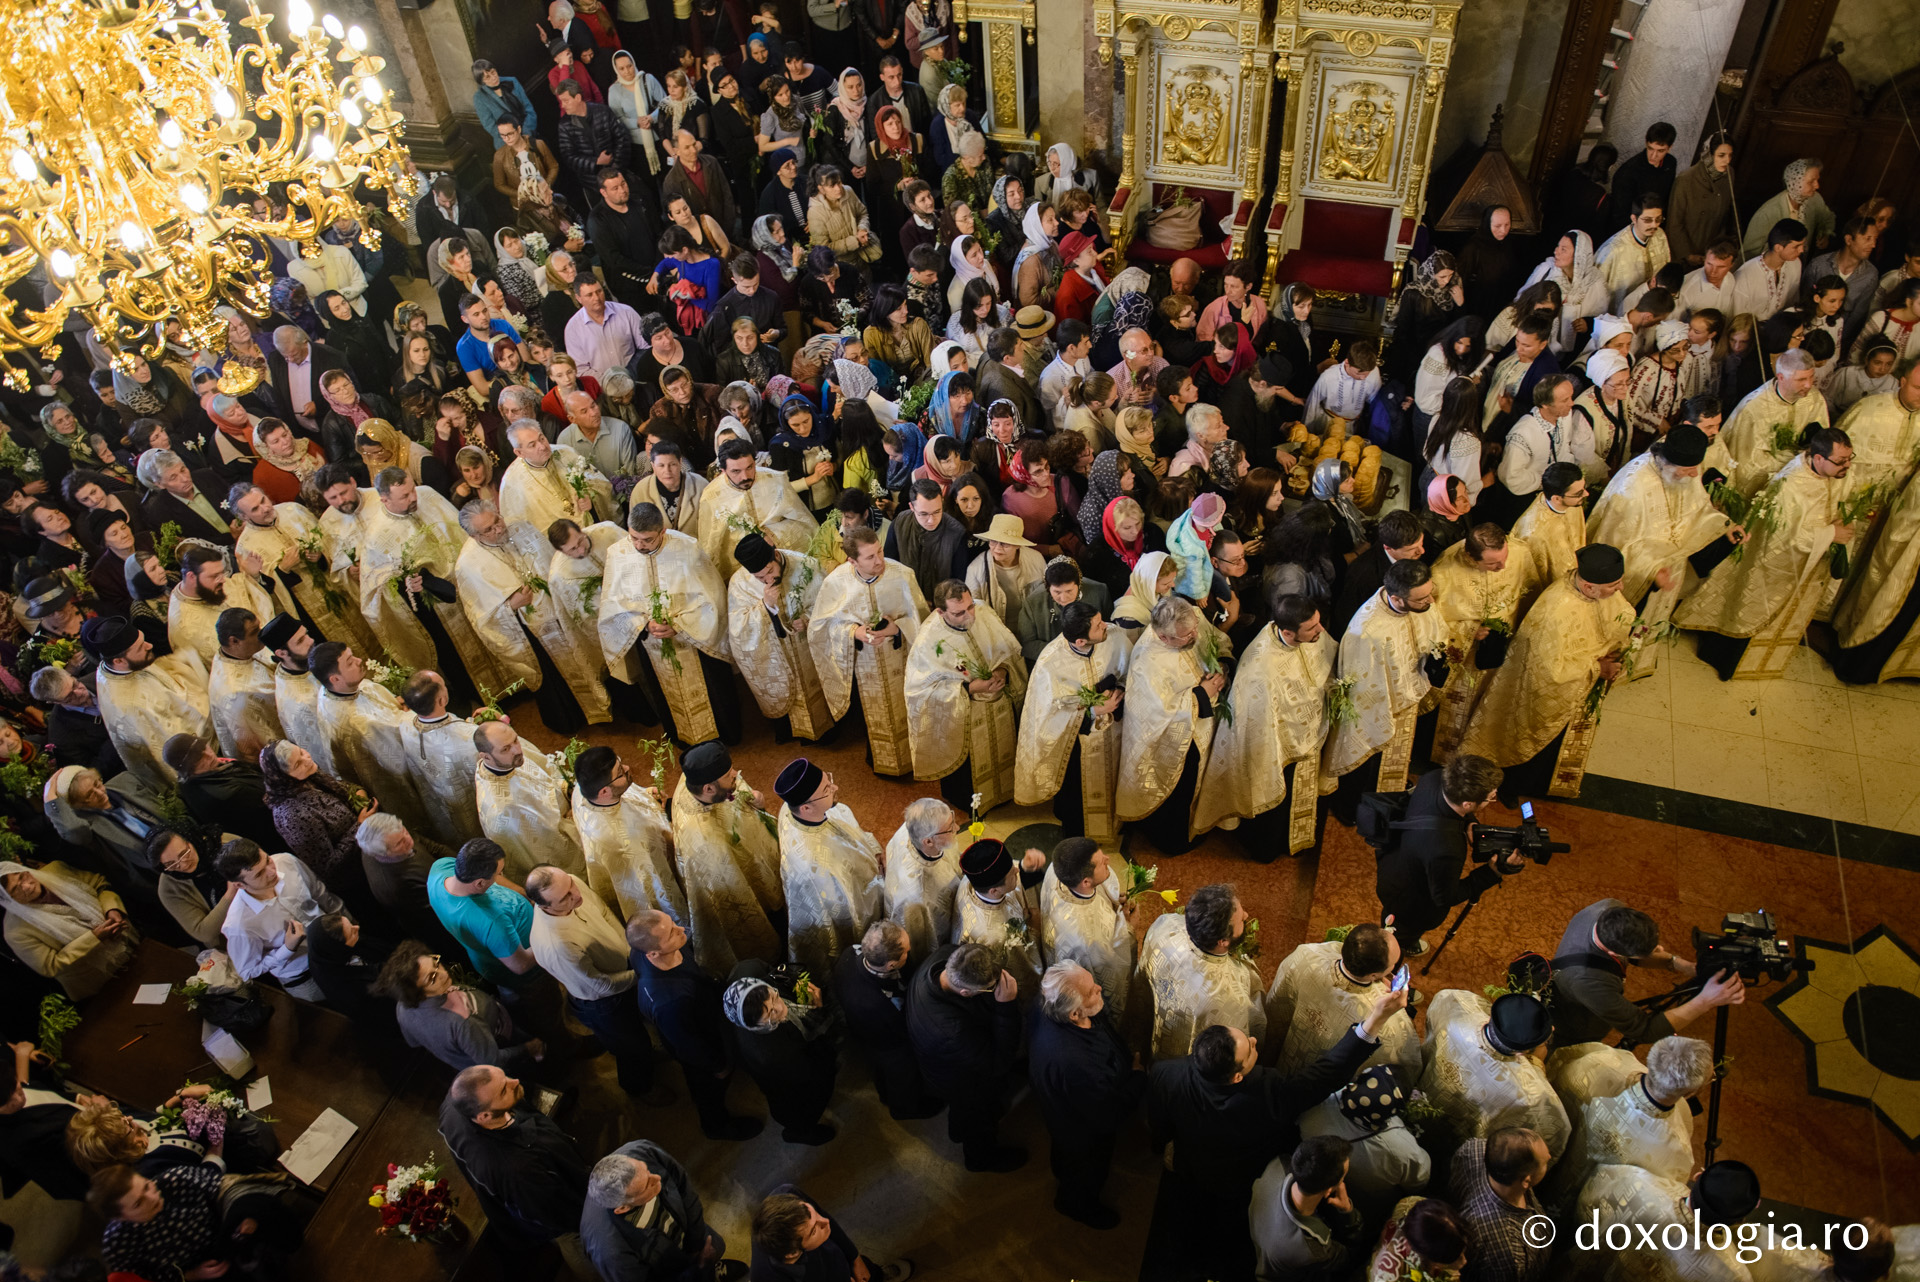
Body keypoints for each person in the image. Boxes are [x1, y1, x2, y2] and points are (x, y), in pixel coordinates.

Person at [1144, 987, 1410, 1282]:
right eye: (1249, 1048)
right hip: (1241, 1178)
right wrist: (1376, 1017)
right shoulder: (1270, 1094)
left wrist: (1160, 1145)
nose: (1255, 1040)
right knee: (1229, 1222)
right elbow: (1328, 1073)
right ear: (1236, 1076)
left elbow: (1160, 1120)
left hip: (1191, 1164)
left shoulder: (1164, 1073)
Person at [1675, 426, 1857, 680]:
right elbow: (1787, 535)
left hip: (1810, 563)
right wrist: (1830, 535)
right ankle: (1726, 660)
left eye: (1850, 459)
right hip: (1773, 563)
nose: (1847, 466)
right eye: (1840, 461)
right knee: (1749, 608)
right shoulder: (1791, 486)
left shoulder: (1835, 473)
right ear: (1817, 458)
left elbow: (1842, 500)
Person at [1191, 594, 1335, 856]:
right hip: (1276, 746)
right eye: (1313, 627)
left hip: (1308, 737)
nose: (1321, 630)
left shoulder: (1310, 635)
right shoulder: (1260, 668)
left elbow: (1323, 664)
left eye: (1318, 622)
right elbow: (1258, 722)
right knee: (1270, 802)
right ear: (1289, 633)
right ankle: (1267, 847)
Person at [599, 502, 741, 746]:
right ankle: (682, 738)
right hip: (651, 642)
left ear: (662, 531)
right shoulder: (617, 554)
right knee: (664, 691)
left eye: (647, 540)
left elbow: (712, 596)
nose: (638, 546)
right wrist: (644, 624)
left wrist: (680, 625)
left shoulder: (687, 548)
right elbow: (612, 604)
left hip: (695, 640)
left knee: (714, 690)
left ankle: (724, 736)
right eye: (634, 538)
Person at [357, 470, 503, 704]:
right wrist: (405, 585)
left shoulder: (427, 495)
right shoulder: (377, 536)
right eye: (404, 496)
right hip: (436, 608)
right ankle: (483, 700)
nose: (414, 497)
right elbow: (376, 591)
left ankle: (511, 687)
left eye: (412, 489)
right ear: (385, 500)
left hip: (468, 581)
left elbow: (457, 526)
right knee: (458, 657)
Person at [524, 866, 661, 1099]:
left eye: (571, 885)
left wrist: (630, 951)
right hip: (604, 1003)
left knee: (638, 1035)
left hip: (626, 972)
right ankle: (640, 1089)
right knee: (629, 1048)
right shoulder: (557, 944)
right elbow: (599, 986)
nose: (576, 894)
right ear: (544, 906)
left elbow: (605, 912)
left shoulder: (570, 884)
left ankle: (646, 1054)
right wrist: (642, 973)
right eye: (565, 897)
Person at [1027, 959, 1145, 1230]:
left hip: (1062, 1112)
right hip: (1083, 1132)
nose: (1100, 989)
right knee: (1087, 1172)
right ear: (1074, 1015)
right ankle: (1077, 1206)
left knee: (1066, 1158)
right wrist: (1138, 1077)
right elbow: (1108, 1114)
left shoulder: (1046, 1001)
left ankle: (1064, 1173)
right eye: (1093, 991)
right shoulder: (1077, 1065)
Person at [806, 525, 926, 777]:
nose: (879, 561)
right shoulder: (836, 583)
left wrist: (897, 628)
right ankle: (881, 763)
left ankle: (915, 760)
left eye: (880, 552)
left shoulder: (902, 575)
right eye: (870, 557)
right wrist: (854, 632)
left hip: (900, 659)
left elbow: (922, 623)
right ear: (852, 560)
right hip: (864, 666)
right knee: (873, 713)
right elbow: (820, 628)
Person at [1323, 559, 1448, 801]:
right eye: (1421, 599)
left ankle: (1389, 797)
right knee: (1371, 765)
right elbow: (1364, 688)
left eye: (1429, 594)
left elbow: (1435, 632)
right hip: (1382, 709)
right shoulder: (1368, 631)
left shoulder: (1419, 605)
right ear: (1398, 599)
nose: (1430, 602)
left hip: (1407, 702)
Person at [903, 578, 1026, 812]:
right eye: (959, 613)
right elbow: (921, 691)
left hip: (998, 706)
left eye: (970, 607)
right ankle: (970, 802)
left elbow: (1010, 651)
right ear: (940, 612)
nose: (969, 616)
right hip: (964, 714)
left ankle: (1005, 792)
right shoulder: (928, 640)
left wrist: (1002, 669)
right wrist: (970, 688)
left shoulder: (984, 614)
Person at [1116, 595, 1225, 855]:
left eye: (1194, 630)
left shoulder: (1183, 637)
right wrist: (1202, 693)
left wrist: (1213, 673)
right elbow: (1158, 711)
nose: (1194, 637)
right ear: (1164, 637)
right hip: (1166, 741)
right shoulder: (1148, 660)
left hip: (1194, 728)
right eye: (1187, 635)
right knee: (1177, 791)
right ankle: (1172, 841)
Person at [440, 1065, 591, 1250]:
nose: (515, 1082)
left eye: (505, 1076)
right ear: (485, 1116)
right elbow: (561, 1214)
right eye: (504, 1090)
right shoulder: (518, 1170)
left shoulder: (457, 1101)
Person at [1371, 753, 1510, 953]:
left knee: (1391, 917)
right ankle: (1402, 947)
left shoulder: (1435, 777)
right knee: (1400, 932)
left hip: (1394, 862)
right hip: (1411, 901)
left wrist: (1469, 821)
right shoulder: (1446, 849)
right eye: (1490, 798)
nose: (1493, 799)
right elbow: (1446, 896)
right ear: (1468, 804)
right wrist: (1490, 872)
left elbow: (1454, 805)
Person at [906, 941, 1024, 1172]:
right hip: (962, 1082)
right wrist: (1006, 1007)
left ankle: (957, 1130)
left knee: (962, 1115)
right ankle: (981, 1159)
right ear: (965, 992)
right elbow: (998, 1062)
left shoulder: (943, 958)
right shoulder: (952, 1031)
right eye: (989, 988)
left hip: (940, 1061)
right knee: (979, 1121)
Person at [1014, 600, 1126, 842]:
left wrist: (1118, 690)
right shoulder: (1050, 663)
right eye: (1098, 625)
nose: (1105, 625)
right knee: (1075, 797)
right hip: (1075, 743)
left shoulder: (1113, 637)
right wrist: (1093, 711)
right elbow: (1047, 714)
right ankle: (1079, 837)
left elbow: (1129, 671)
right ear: (1080, 641)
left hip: (1112, 736)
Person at [1419, 992, 1569, 1161]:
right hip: (1460, 1146)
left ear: (1490, 1016)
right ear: (1521, 1053)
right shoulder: (1530, 1095)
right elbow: (1555, 1135)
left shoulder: (1454, 1004)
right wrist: (1536, 1065)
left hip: (1422, 1101)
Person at [1265, 920, 1421, 1080]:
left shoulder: (1305, 956)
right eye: (1394, 964)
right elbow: (1405, 1062)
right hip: (1321, 1080)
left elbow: (1276, 1003)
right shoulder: (1386, 1018)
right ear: (1374, 975)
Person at [772, 755, 883, 973]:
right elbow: (844, 914)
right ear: (805, 809)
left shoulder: (794, 810)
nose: (835, 787)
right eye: (826, 789)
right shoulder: (814, 869)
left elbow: (853, 830)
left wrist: (874, 850)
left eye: (828, 780)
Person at [374, 937, 545, 1074]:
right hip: (501, 1038)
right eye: (432, 978)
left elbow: (413, 1042)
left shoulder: (402, 1008)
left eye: (436, 962)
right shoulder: (462, 1023)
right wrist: (528, 1049)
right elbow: (494, 1060)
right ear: (418, 993)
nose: (442, 973)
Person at [81, 615, 214, 792]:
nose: (149, 645)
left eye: (143, 640)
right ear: (119, 661)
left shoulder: (110, 667)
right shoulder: (130, 707)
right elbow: (164, 750)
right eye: (139, 647)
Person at [1136, 884, 1265, 1062]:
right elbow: (1245, 1035)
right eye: (1241, 921)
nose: (1246, 916)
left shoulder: (1164, 926)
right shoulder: (1230, 995)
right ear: (1222, 942)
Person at [726, 531, 835, 742]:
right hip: (775, 654)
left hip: (808, 651)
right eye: (759, 578)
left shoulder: (806, 565)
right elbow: (738, 629)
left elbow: (829, 603)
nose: (767, 580)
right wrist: (765, 607)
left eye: (769, 571)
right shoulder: (740, 583)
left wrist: (807, 618)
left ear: (775, 555)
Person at [582, 1141, 741, 1282]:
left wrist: (696, 1245)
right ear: (623, 1208)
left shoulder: (641, 1150)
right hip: (667, 1269)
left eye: (646, 1170)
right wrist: (699, 1271)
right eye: (646, 1185)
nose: (657, 1178)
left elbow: (685, 1189)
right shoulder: (613, 1255)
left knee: (716, 1245)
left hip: (682, 1235)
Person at [833, 920, 941, 1123]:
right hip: (887, 1041)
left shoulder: (850, 953)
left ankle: (884, 1092)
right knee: (901, 1075)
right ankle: (904, 1109)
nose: (910, 953)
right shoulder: (876, 1003)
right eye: (906, 952)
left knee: (879, 1068)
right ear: (891, 965)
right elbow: (900, 1030)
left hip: (862, 1026)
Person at [569, 744, 683, 923]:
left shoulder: (584, 789)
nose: (628, 768)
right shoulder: (621, 844)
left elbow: (626, 797)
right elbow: (650, 886)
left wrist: (646, 795)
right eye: (621, 771)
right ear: (604, 792)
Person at [216, 837, 340, 1000]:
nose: (272, 871)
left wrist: (346, 919)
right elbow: (247, 971)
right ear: (239, 885)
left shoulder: (285, 861)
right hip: (306, 976)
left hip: (337, 944)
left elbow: (319, 892)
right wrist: (287, 949)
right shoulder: (239, 924)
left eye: (267, 860)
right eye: (259, 873)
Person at [0, 860, 138, 1000]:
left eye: (22, 877)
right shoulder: (15, 931)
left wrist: (112, 909)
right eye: (15, 889)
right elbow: (50, 966)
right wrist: (94, 938)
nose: (26, 886)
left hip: (129, 941)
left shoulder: (56, 870)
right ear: (7, 900)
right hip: (100, 981)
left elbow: (99, 885)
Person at [472, 720, 590, 881]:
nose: (518, 750)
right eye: (506, 749)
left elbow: (546, 777)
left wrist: (566, 789)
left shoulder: (508, 760)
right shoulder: (502, 811)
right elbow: (541, 849)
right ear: (486, 757)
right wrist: (573, 814)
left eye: (515, 740)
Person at [1038, 836, 1137, 1018]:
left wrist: (1115, 901)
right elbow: (1112, 964)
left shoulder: (1058, 869)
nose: (1108, 859)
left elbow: (1102, 890)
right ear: (1085, 882)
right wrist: (1129, 926)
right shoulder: (1087, 940)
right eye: (1101, 863)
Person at [1247, 1133, 1364, 1281]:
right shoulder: (1313, 1249)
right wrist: (1347, 1211)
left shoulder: (1279, 1164)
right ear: (1328, 1190)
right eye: (1343, 1177)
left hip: (1261, 1238)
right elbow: (1348, 1256)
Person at [749, 1187, 911, 1282]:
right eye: (813, 1230)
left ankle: (877, 1275)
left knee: (868, 1271)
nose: (825, 1222)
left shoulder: (786, 1194)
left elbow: (824, 1217)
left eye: (812, 1212)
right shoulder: (768, 1278)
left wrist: (855, 1258)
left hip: (838, 1260)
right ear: (792, 1254)